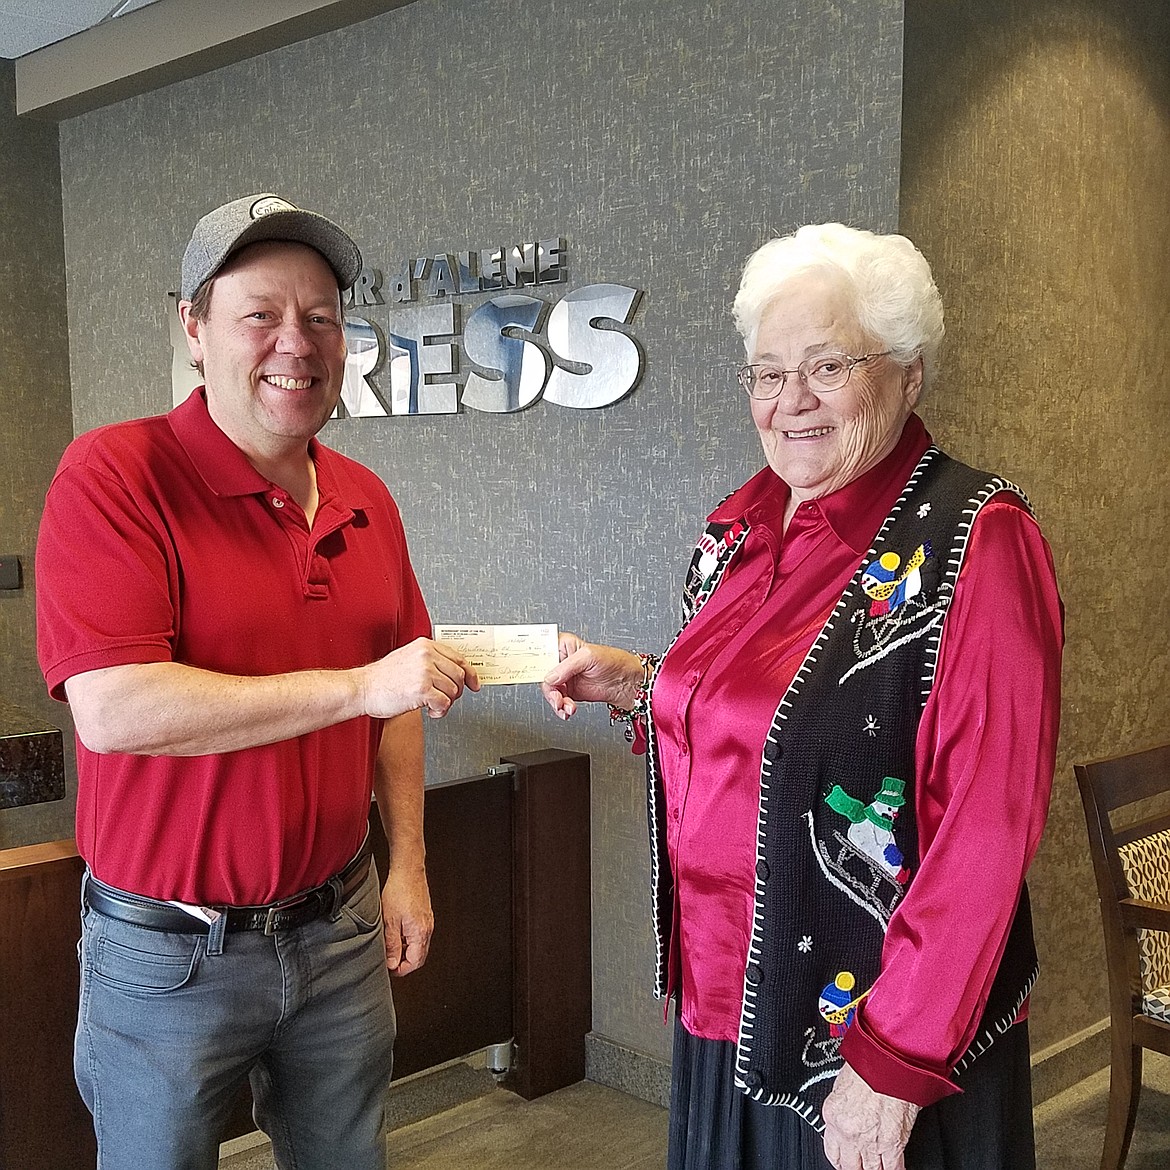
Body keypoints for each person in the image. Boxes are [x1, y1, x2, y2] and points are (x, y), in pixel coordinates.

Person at [542, 223, 1063, 1170]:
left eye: (828, 367)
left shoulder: (975, 539)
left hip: (870, 1035)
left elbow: (988, 826)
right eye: (767, 373)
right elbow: (773, 723)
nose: (792, 402)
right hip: (727, 1003)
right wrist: (644, 688)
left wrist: (894, 1064)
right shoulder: (736, 531)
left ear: (908, 375)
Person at [35, 193, 479, 1170]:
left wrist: (407, 862)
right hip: (167, 956)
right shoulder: (115, 476)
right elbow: (116, 709)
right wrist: (358, 688)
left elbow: (399, 698)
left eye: (321, 316)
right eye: (260, 315)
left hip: (340, 931)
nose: (298, 341)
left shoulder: (367, 496)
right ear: (193, 329)